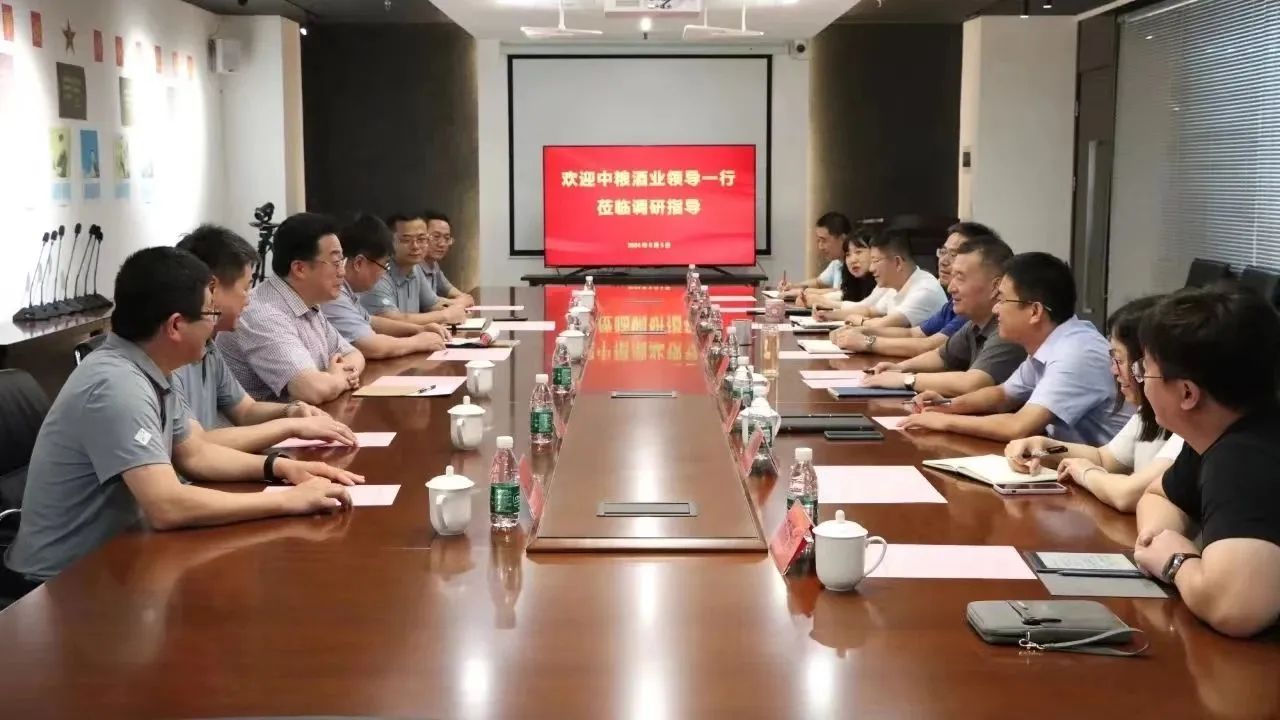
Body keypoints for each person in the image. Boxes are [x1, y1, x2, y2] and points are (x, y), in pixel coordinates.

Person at [2, 247, 361, 584]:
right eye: (209, 314)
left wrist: (281, 468)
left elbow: (194, 453)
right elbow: (167, 506)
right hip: (61, 582)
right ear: (175, 326)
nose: (214, 324)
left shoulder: (151, 367)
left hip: (119, 558)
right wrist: (285, 501)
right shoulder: (117, 385)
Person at [1132, 287, 1280, 638]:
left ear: (1187, 393)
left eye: (1145, 370)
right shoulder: (1221, 430)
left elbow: (1237, 609)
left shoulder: (1245, 456)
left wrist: (1176, 562)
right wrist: (1159, 538)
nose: (1140, 381)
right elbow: (1159, 495)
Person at [900, 252, 1130, 444]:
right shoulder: (1051, 342)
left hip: (1112, 475)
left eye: (1002, 300)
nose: (996, 309)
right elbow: (1003, 395)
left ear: (1035, 311)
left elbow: (1018, 426)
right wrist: (947, 406)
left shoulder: (1076, 353)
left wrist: (944, 421)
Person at [174, 225, 357, 452]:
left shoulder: (207, 346)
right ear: (212, 290)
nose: (248, 300)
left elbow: (245, 410)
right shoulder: (171, 356)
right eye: (245, 288)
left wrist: (292, 411)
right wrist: (290, 427)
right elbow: (194, 446)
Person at [1003, 296, 1183, 512]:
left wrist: (1086, 472)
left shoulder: (1189, 428)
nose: (1114, 370)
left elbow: (1128, 494)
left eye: (1120, 360)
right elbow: (1105, 458)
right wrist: (1042, 446)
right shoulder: (1149, 412)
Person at [217, 212, 367, 403]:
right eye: (336, 263)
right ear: (299, 268)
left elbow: (354, 354)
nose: (342, 272)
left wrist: (334, 378)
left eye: (342, 262)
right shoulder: (262, 314)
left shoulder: (307, 304)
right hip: (269, 421)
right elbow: (312, 390)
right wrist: (337, 379)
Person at [858, 235, 1025, 396]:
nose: (951, 288)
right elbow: (942, 356)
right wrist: (899, 368)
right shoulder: (975, 323)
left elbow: (972, 383)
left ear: (995, 287)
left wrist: (906, 379)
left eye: (960, 278)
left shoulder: (1008, 328)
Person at [827, 222, 1000, 357]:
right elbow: (913, 334)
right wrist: (863, 331)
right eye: (943, 252)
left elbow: (929, 346)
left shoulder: (970, 305)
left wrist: (867, 340)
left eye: (954, 254)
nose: (943, 261)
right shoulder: (953, 303)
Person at [322, 214, 451, 358]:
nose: (384, 272)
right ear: (359, 263)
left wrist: (418, 329)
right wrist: (418, 342)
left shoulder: (347, 291)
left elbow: (370, 321)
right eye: (384, 265)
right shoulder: (333, 296)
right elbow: (372, 347)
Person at [820, 228, 947, 329]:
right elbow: (869, 311)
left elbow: (884, 325)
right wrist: (828, 315)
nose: (871, 268)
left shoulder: (924, 289)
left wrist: (860, 321)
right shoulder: (895, 286)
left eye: (875, 261)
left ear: (897, 262)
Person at [359, 212, 468, 327]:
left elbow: (433, 304)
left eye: (421, 239)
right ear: (389, 242)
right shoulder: (378, 273)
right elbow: (389, 320)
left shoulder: (415, 268)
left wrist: (456, 308)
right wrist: (444, 316)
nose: (415, 246)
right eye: (406, 240)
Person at [776, 212, 850, 299]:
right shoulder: (837, 262)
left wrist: (804, 292)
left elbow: (843, 292)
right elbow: (818, 283)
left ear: (842, 239)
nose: (820, 247)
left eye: (824, 240)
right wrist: (793, 286)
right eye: (818, 241)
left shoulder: (854, 264)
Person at [803, 228, 878, 309]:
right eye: (848, 254)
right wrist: (813, 298)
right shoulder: (854, 283)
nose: (852, 260)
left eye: (858, 252)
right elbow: (843, 295)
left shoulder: (882, 284)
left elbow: (866, 308)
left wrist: (824, 301)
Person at [421, 210, 475, 308]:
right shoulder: (413, 267)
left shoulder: (433, 264)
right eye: (436, 237)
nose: (442, 244)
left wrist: (464, 298)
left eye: (446, 238)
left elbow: (449, 289)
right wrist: (461, 302)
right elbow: (431, 302)